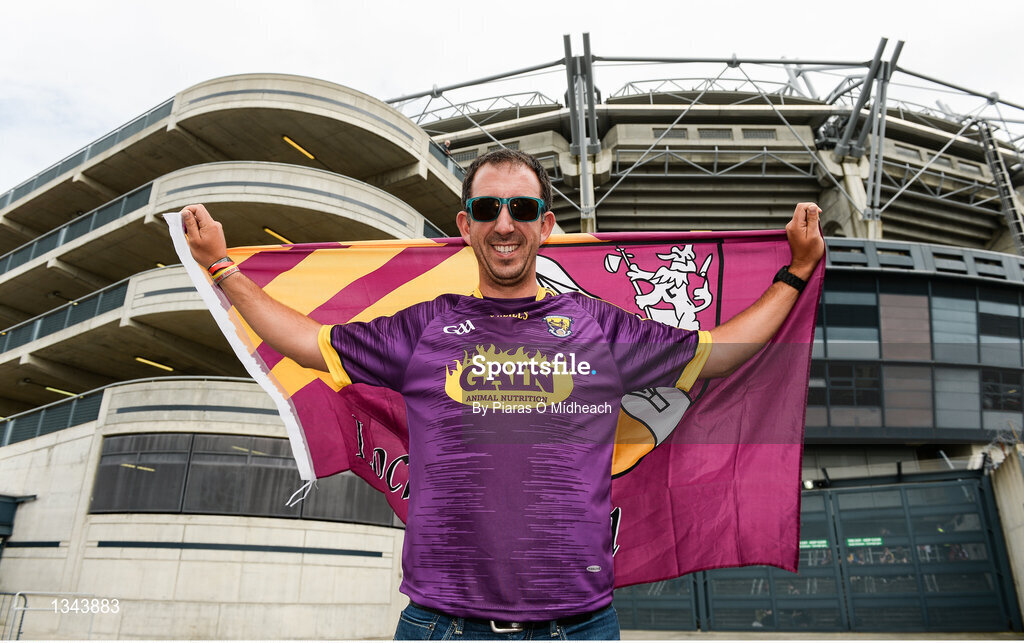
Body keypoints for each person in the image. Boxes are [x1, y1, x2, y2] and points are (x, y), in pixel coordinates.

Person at [181, 149, 824, 640]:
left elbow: (719, 352)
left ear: (546, 225)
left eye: (520, 209)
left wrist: (794, 274)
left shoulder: (599, 325)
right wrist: (221, 269)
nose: (504, 224)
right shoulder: (426, 325)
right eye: (488, 209)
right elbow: (309, 343)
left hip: (579, 625)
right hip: (443, 625)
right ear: (466, 225)